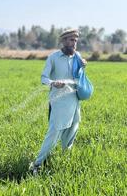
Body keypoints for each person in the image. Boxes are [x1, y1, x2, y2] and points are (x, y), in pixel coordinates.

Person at [29, 29, 87, 175]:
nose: (73, 43)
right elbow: (43, 78)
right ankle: (37, 164)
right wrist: (53, 83)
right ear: (63, 41)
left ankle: (64, 160)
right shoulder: (53, 58)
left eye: (75, 40)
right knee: (54, 132)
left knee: (72, 129)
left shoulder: (77, 56)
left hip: (75, 99)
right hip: (58, 101)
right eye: (70, 40)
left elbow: (78, 75)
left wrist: (82, 65)